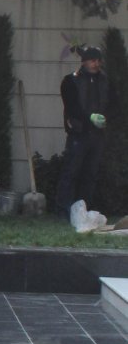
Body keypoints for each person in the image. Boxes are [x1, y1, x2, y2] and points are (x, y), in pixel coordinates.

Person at [57, 45, 110, 216]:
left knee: (90, 173)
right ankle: (63, 209)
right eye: (92, 60)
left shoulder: (104, 80)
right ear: (84, 61)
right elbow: (72, 107)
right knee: (71, 171)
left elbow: (112, 102)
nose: (96, 64)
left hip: (98, 134)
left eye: (98, 60)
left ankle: (84, 209)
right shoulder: (70, 81)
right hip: (78, 133)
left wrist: (106, 118)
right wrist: (90, 118)